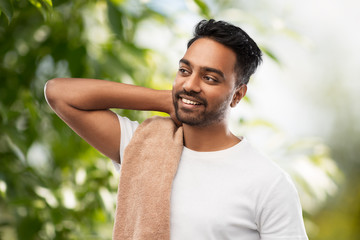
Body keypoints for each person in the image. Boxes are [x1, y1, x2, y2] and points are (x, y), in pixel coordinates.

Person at [45, 19, 308, 239]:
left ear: (237, 95)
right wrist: (164, 99)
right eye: (185, 70)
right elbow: (59, 93)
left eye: (209, 78)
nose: (191, 84)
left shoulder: (269, 183)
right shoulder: (144, 146)